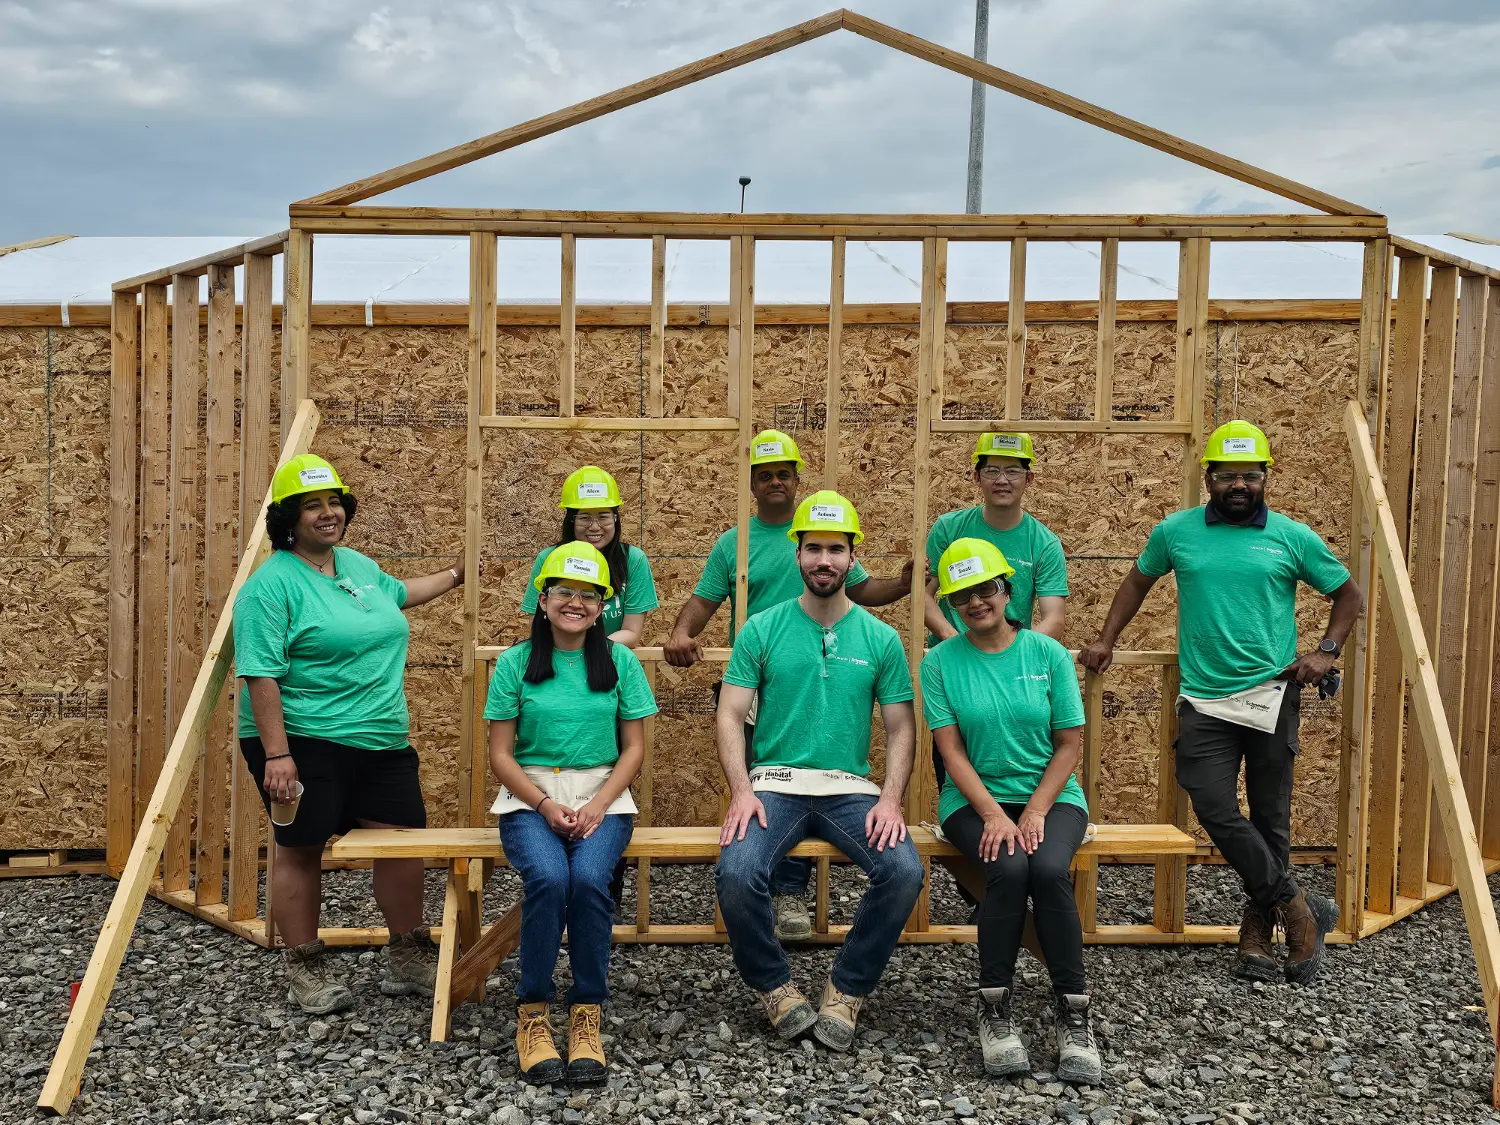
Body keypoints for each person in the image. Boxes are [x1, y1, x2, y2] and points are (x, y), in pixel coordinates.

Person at [1079, 420, 1362, 985]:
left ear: (1265, 478)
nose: (1239, 485)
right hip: (1205, 698)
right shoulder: (1176, 532)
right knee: (1210, 800)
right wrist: (1107, 639)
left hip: (1271, 695)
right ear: (1207, 476)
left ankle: (1258, 928)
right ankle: (1298, 906)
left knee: (1270, 816)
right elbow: (1136, 582)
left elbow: (1348, 593)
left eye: (1250, 475)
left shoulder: (1291, 536)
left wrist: (1326, 652)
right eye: (1228, 475)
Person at [234, 454, 464, 1014]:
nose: (327, 513)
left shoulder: (355, 565)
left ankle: (407, 955)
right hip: (302, 738)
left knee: (401, 843)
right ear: (288, 518)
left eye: (334, 502)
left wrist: (457, 574)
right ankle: (305, 968)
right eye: (312, 506)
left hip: (381, 737)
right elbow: (259, 674)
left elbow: (398, 593)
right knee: (301, 847)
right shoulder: (270, 587)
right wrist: (277, 755)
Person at [665, 430, 913, 941]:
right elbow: (706, 597)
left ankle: (791, 893)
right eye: (765, 475)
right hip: (759, 669)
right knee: (767, 782)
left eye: (783, 473)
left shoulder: (822, 531)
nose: (775, 481)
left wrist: (905, 584)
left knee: (809, 766)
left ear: (796, 480)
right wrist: (682, 632)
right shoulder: (735, 542)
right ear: (752, 484)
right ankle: (770, 882)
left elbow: (864, 589)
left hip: (818, 666)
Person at [714, 491, 925, 1052]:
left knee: (904, 871)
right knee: (736, 873)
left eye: (835, 549)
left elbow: (901, 728)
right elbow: (730, 714)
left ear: (853, 557)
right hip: (774, 786)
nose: (824, 560)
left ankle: (847, 989)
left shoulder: (880, 638)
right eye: (813, 549)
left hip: (849, 791)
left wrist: (890, 800)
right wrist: (741, 790)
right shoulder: (762, 628)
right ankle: (774, 987)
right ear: (798, 554)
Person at [921, 538, 1100, 1085]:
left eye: (986, 589)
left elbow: (1069, 744)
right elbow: (951, 752)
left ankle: (1074, 1011)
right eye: (962, 596)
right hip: (972, 800)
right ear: (950, 604)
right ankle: (995, 1009)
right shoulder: (940, 662)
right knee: (1008, 867)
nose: (976, 602)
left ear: (1007, 590)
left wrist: (1036, 810)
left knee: (1046, 869)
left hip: (1052, 796)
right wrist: (995, 814)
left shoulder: (1047, 655)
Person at [487, 541, 658, 1085]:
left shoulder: (620, 662)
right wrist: (543, 804)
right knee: (548, 877)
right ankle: (533, 1012)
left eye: (589, 595)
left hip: (604, 797)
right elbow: (500, 755)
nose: (575, 603)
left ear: (602, 605)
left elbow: (633, 748)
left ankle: (587, 1011)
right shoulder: (515, 662)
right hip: (530, 796)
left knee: (587, 879)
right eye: (564, 591)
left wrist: (599, 804)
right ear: (543, 600)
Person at [924, 431, 1068, 643]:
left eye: (1013, 471)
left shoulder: (1045, 544)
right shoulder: (948, 529)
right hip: (951, 654)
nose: (1002, 480)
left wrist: (1011, 652)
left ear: (1029, 479)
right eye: (991, 471)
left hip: (1013, 658)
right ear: (976, 477)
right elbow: (923, 595)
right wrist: (956, 644)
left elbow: (1054, 619)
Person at [519, 466, 658, 648]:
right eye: (585, 517)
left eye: (603, 516)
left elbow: (631, 633)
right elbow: (537, 628)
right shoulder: (548, 558)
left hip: (609, 658)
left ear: (615, 518)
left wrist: (591, 653)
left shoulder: (632, 560)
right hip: (559, 658)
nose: (594, 527)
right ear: (571, 520)